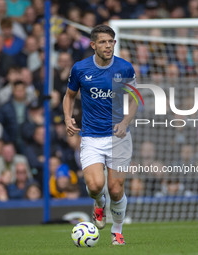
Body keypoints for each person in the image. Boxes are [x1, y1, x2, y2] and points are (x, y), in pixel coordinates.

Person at [63, 25, 138, 245]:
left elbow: (134, 99)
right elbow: (68, 96)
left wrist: (125, 122)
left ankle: (117, 230)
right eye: (103, 42)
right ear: (93, 45)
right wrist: (68, 119)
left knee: (116, 189)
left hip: (119, 137)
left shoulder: (124, 68)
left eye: (111, 42)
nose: (108, 46)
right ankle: (98, 203)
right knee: (96, 186)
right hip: (92, 137)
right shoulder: (80, 69)